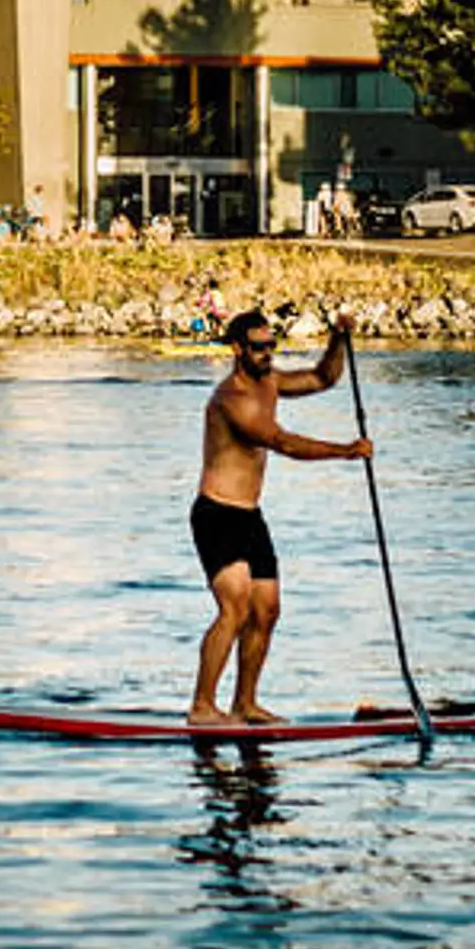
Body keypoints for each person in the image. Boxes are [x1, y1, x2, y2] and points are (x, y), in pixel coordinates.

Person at [189, 306, 366, 727]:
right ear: (236, 349)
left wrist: (339, 338)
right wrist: (345, 451)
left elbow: (325, 377)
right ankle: (202, 707)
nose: (268, 354)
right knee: (234, 607)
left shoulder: (270, 383)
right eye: (258, 347)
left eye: (272, 345)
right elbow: (281, 442)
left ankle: (245, 704)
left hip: (250, 516)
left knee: (266, 610)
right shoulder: (230, 399)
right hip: (217, 514)